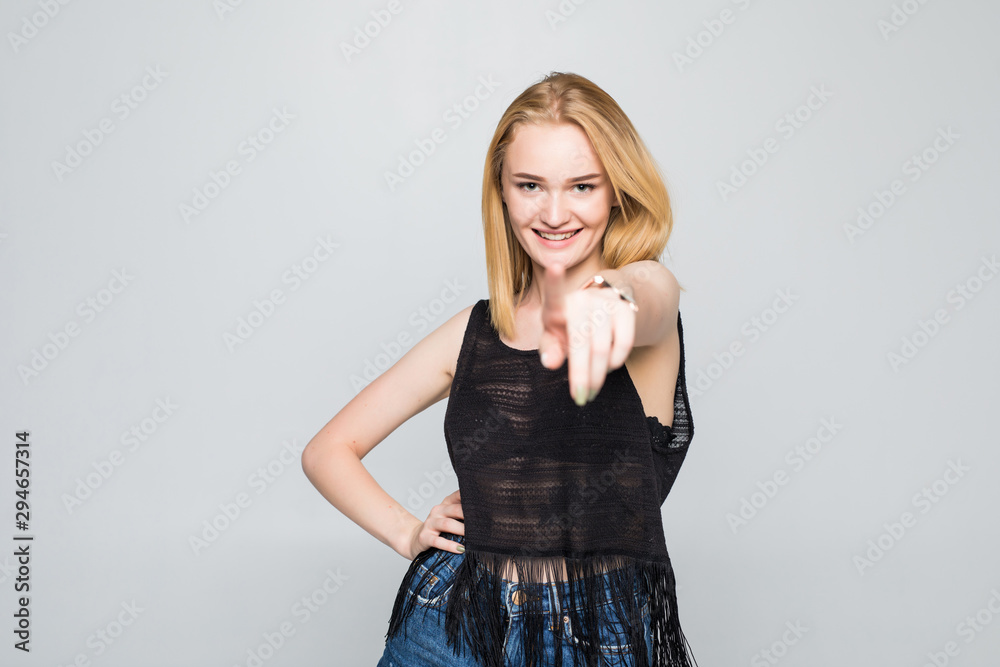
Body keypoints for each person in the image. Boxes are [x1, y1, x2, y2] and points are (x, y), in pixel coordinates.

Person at [301, 71, 698, 667]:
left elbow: (655, 290)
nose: (556, 211)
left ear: (617, 191)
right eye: (531, 185)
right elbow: (327, 450)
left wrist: (612, 295)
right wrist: (408, 532)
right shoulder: (472, 332)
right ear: (503, 193)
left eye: (583, 186)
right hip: (451, 623)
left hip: (593, 636)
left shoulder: (644, 321)